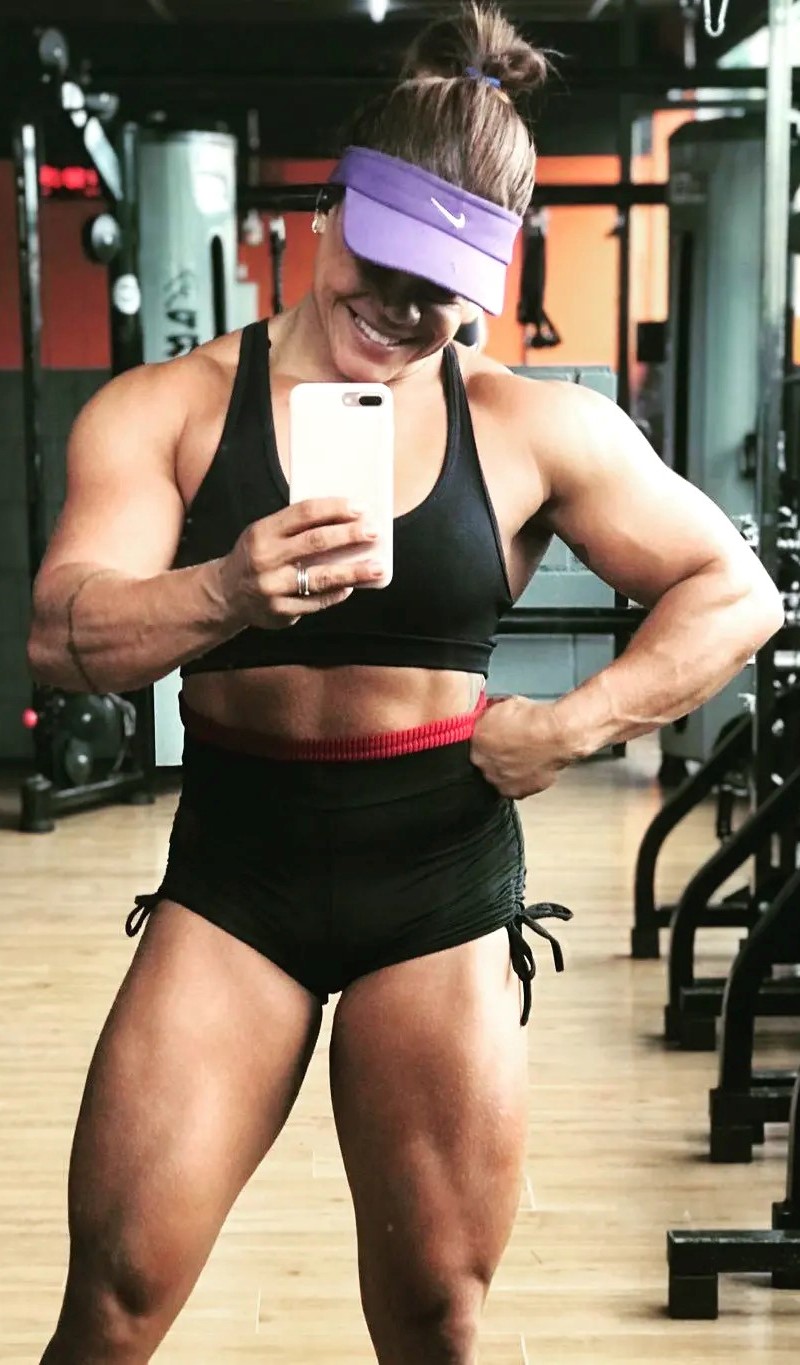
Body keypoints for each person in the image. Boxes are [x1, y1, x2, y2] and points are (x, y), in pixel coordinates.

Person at [26, 4, 783, 1363]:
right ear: (329, 212)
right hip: (238, 869)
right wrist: (226, 590)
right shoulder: (171, 408)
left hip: (437, 872)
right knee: (117, 1296)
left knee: (437, 1317)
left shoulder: (531, 425)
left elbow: (738, 591)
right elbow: (60, 631)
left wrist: (572, 726)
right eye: (378, 271)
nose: (398, 314)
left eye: (440, 295)